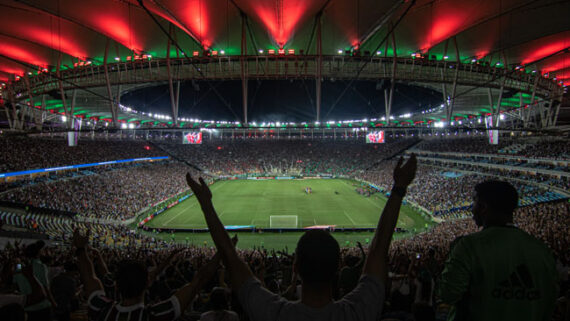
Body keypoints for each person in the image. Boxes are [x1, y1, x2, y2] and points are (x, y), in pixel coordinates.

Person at [185, 153, 417, 321]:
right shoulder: (358, 312)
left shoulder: (273, 313)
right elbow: (378, 252)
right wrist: (398, 189)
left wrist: (207, 206)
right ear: (338, 267)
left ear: (295, 267)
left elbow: (230, 256)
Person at [438, 180, 558, 321]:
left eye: (474, 202)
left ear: (483, 207)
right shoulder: (542, 250)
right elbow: (550, 303)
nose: (472, 208)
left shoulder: (468, 245)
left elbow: (447, 294)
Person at [72, 229, 223, 321]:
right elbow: (198, 281)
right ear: (147, 284)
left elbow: (89, 279)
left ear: (116, 284)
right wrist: (224, 251)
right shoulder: (155, 315)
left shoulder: (100, 308)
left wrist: (80, 250)